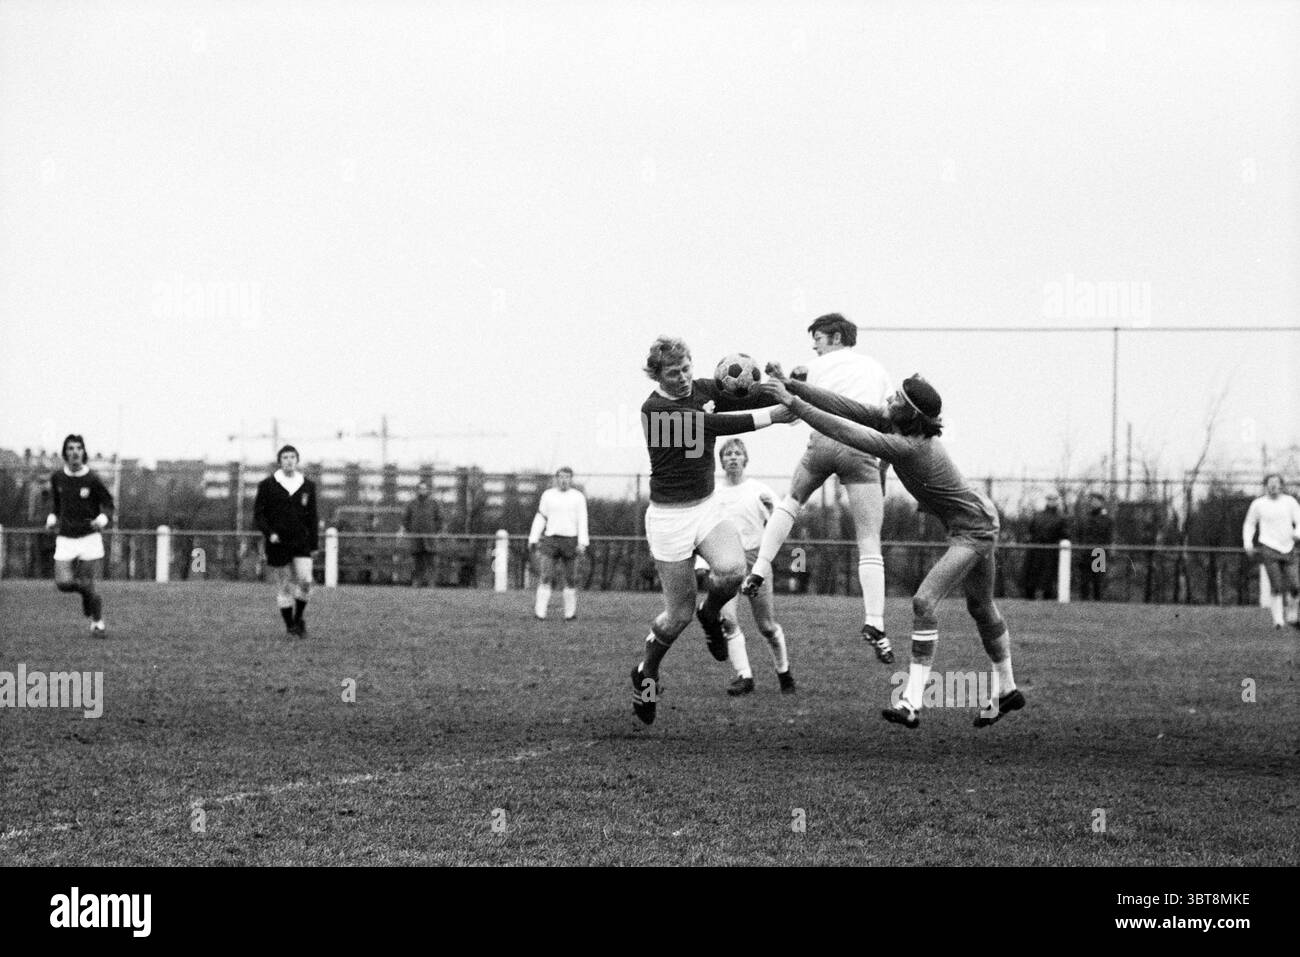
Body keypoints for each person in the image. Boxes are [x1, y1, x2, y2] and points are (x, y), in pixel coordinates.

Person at [759, 368, 1024, 730]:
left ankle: (912, 702)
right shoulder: (897, 425)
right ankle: (1007, 688)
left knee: (924, 602)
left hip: (974, 529)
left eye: (896, 398)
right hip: (974, 519)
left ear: (911, 414)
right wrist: (794, 385)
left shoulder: (907, 445)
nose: (888, 400)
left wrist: (793, 402)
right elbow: (844, 407)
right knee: (980, 606)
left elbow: (841, 429)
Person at [630, 336, 788, 725]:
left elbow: (745, 398)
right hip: (669, 519)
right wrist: (777, 415)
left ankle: (711, 612)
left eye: (686, 369)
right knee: (675, 616)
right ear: (657, 375)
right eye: (673, 373)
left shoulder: (701, 388)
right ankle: (646, 674)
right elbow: (715, 423)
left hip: (706, 507)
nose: (683, 378)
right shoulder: (654, 411)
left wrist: (783, 390)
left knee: (734, 571)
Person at [741, 313, 895, 664]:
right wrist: (884, 464)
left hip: (822, 442)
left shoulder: (811, 368)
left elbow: (792, 409)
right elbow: (889, 418)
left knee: (791, 502)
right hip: (861, 447)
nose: (814, 345)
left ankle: (760, 569)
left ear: (837, 337)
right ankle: (875, 621)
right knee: (869, 538)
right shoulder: (876, 368)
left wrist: (778, 380)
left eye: (819, 338)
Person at [694, 439, 795, 695]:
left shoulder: (760, 491)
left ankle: (784, 673)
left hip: (756, 561)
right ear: (722, 460)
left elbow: (782, 524)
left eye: (738, 453)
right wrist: (702, 561)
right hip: (725, 560)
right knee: (728, 620)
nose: (733, 458)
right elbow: (704, 530)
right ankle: (744, 676)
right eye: (728, 454)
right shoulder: (712, 494)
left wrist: (773, 511)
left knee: (767, 627)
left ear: (745, 459)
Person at [45, 434, 113, 636]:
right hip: (66, 537)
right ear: (65, 452)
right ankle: (85, 593)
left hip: (89, 538)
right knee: (63, 583)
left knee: (88, 582)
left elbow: (109, 504)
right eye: (70, 448)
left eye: (78, 448)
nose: (74, 452)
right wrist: (52, 517)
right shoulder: (57, 477)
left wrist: (102, 519)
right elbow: (57, 505)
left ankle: (98, 622)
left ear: (83, 452)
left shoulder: (92, 479)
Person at [253, 445, 319, 638]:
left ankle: (298, 618)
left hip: (301, 542)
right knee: (285, 585)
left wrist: (314, 544)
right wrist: (269, 533)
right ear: (279, 461)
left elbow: (312, 517)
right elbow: (259, 515)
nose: (289, 460)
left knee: (306, 582)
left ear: (297, 460)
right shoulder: (267, 485)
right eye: (285, 457)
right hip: (277, 543)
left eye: (292, 457)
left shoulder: (307, 486)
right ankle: (290, 626)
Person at [528, 467, 589, 620]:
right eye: (561, 477)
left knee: (570, 578)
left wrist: (582, 542)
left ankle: (570, 614)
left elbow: (583, 520)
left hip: (570, 540)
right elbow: (541, 516)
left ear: (571, 479)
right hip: (551, 540)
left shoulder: (578, 497)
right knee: (546, 575)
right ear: (556, 478)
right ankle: (539, 613)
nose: (564, 480)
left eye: (567, 477)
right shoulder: (548, 495)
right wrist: (533, 537)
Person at [1242, 473, 1300, 630]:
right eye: (1270, 483)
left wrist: (1297, 533)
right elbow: (1249, 524)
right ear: (1265, 485)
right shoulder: (1258, 504)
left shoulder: (1290, 502)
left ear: (1281, 485)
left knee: (1295, 585)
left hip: (1288, 548)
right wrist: (1248, 542)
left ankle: (1292, 613)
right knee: (1277, 585)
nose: (1273, 486)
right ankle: (1278, 621)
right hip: (1268, 548)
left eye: (1276, 483)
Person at [1021, 489, 1068, 599]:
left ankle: (1047, 599)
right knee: (1032, 576)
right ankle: (1029, 598)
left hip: (1050, 552)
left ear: (1057, 501)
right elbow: (1030, 531)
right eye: (1049, 499)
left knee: (1047, 579)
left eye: (1054, 499)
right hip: (1035, 551)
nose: (1051, 501)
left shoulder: (1061, 518)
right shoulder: (1038, 516)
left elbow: (1065, 535)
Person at [401, 480, 444, 587]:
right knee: (417, 562)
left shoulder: (434, 504)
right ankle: (416, 582)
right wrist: (411, 530)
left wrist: (434, 531)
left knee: (431, 561)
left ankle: (431, 583)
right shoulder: (411, 504)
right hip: (416, 539)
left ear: (427, 490)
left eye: (424, 489)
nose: (422, 491)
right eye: (420, 488)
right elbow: (405, 519)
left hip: (430, 539)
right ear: (417, 490)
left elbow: (440, 519)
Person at [1074, 491, 1113, 601]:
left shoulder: (1106, 519)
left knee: (1098, 582)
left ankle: (1098, 603)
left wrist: (1106, 554)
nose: (1093, 503)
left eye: (1096, 500)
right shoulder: (1084, 519)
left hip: (1099, 553)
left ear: (1101, 502)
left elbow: (1108, 538)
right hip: (1085, 553)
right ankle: (1083, 603)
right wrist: (1079, 551)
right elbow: (1079, 535)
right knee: (1084, 581)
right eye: (1092, 500)